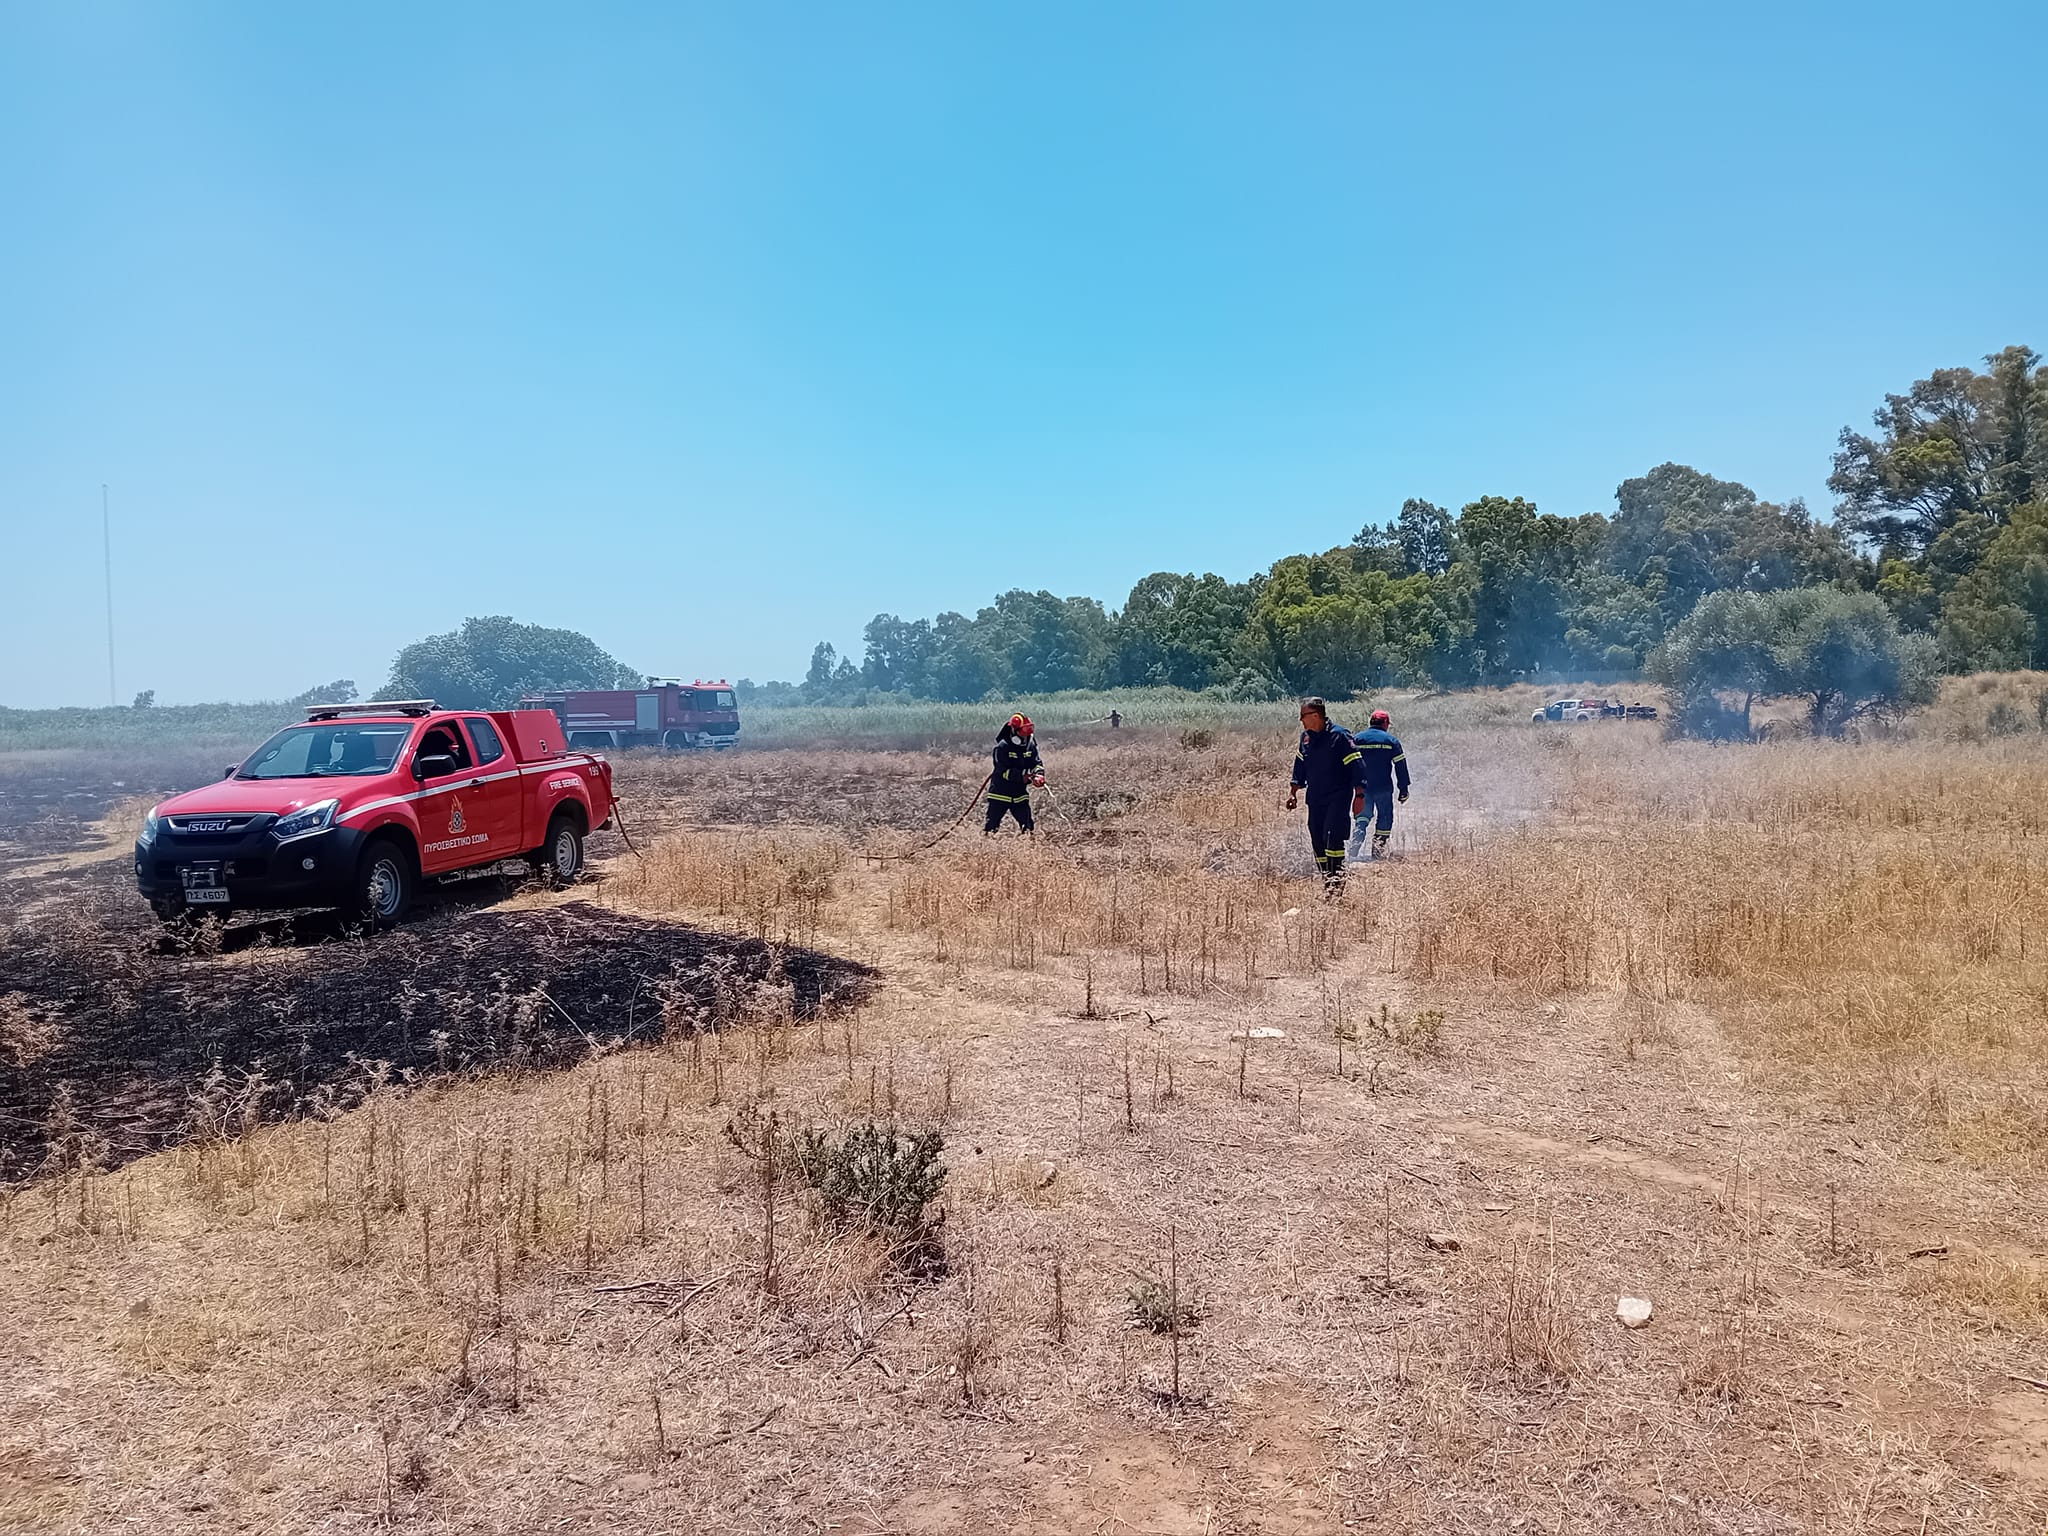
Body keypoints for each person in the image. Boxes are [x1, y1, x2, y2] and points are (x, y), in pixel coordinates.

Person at [1285, 697, 1365, 890]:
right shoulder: (1306, 738)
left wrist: (1359, 796)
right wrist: (1293, 792)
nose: (1300, 720)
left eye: (1303, 715)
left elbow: (1358, 766)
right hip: (1315, 797)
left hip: (1338, 797)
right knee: (1317, 839)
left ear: (1315, 716)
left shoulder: (1340, 736)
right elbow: (1300, 765)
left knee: (1332, 837)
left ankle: (1337, 884)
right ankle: (1327, 879)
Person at [1346, 707, 1411, 861]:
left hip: (1363, 788)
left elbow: (1349, 763)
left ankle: (1353, 850)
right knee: (1385, 818)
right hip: (1383, 788)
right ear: (1385, 723)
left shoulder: (1358, 739)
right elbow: (1400, 765)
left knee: (1362, 819)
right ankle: (1377, 852)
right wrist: (1404, 788)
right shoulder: (1391, 741)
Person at [984, 714, 1045, 835]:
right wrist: (1025, 776)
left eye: (1029, 730)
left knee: (1027, 827)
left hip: (1019, 795)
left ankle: (1029, 848)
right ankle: (985, 847)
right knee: (991, 828)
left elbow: (1037, 763)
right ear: (1014, 731)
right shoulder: (1002, 747)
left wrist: (1039, 774)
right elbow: (1003, 771)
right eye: (1024, 731)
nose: (1026, 734)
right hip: (1000, 794)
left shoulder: (1030, 746)